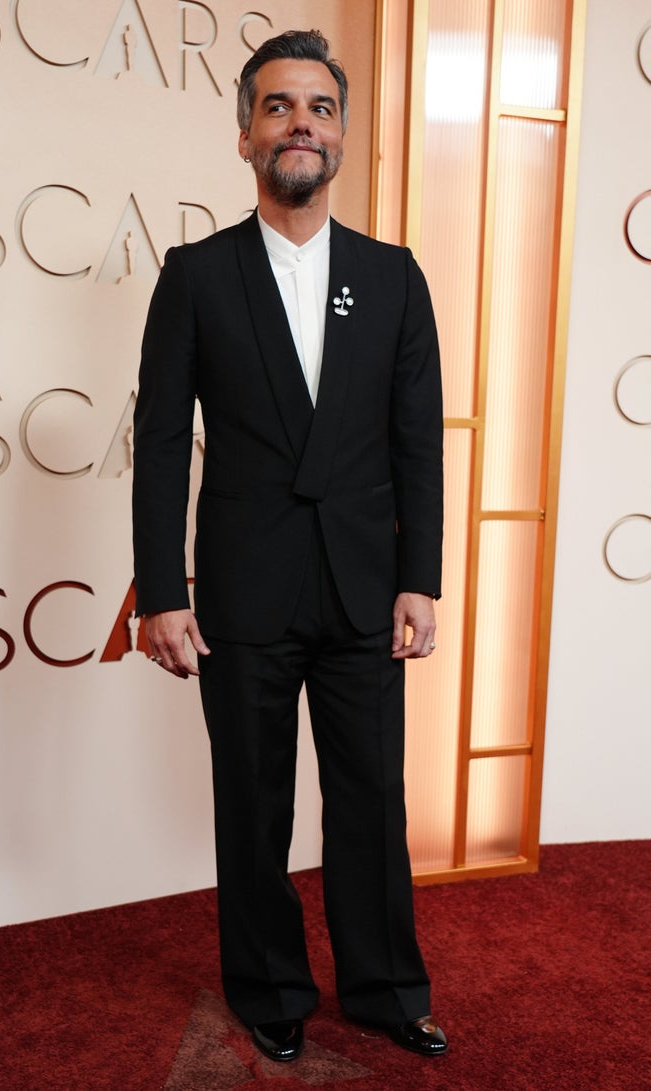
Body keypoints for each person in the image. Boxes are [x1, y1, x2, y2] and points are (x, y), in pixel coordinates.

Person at [132, 29, 447, 1063]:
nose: (300, 122)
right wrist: (159, 590)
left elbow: (415, 438)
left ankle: (388, 987)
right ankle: (268, 985)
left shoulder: (395, 277)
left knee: (371, 800)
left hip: (363, 585)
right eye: (278, 106)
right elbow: (166, 440)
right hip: (242, 585)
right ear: (244, 136)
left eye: (318, 106)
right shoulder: (195, 274)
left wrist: (420, 578)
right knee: (253, 803)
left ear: (343, 134)